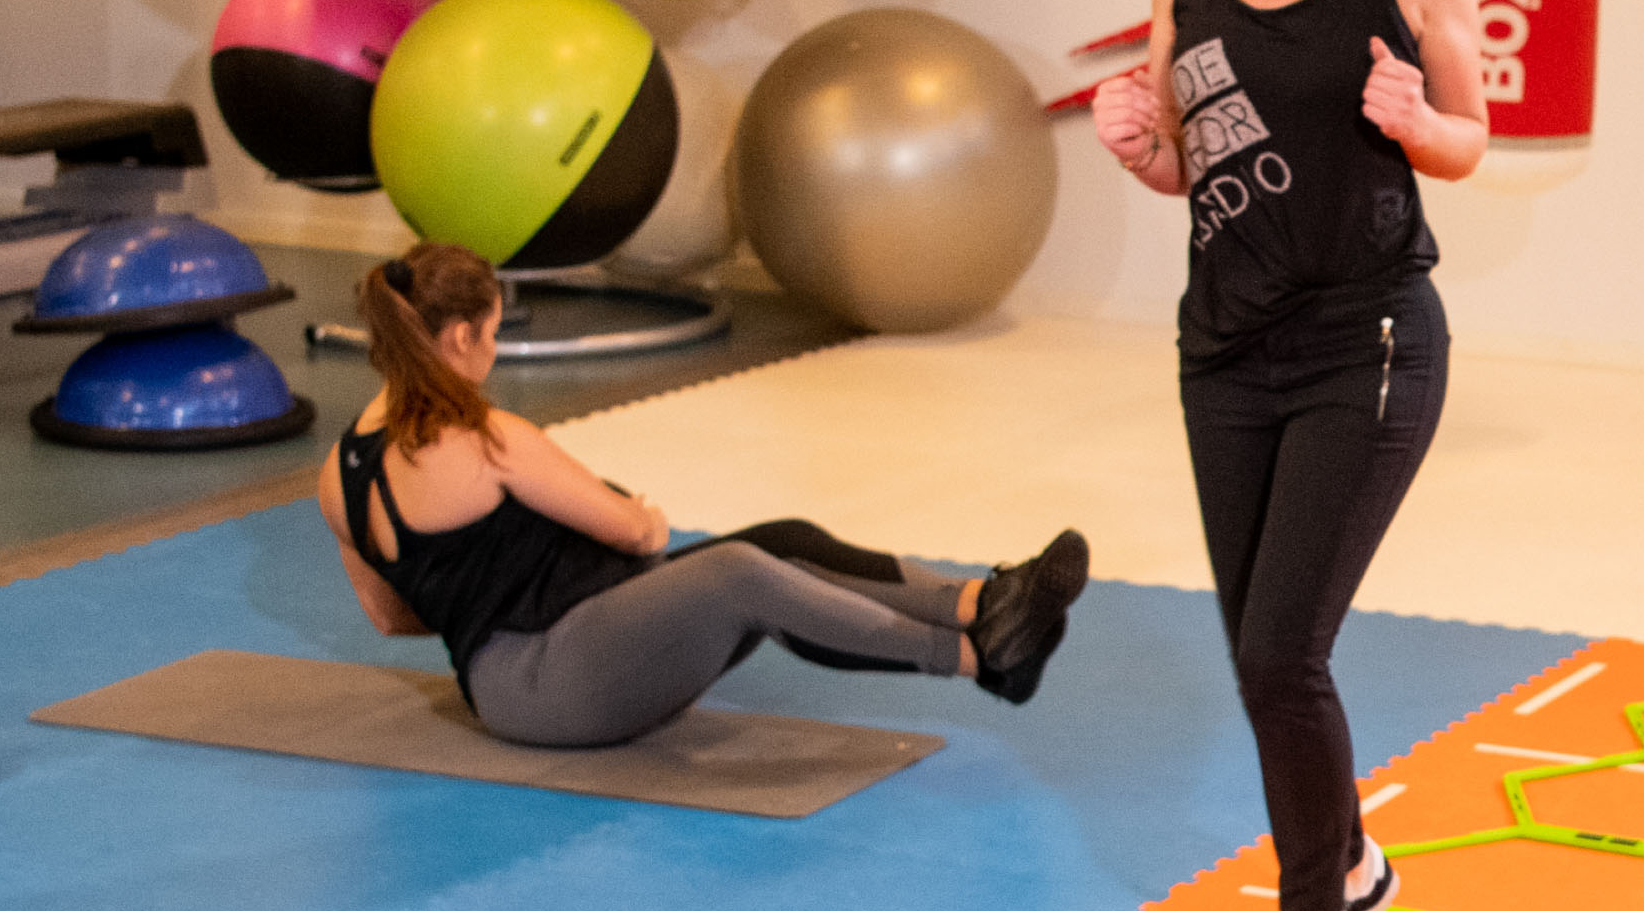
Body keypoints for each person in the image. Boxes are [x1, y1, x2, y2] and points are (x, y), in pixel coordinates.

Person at [1087, 0, 1498, 911]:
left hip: (1365, 343)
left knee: (1281, 651)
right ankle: (1353, 862)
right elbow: (1183, 170)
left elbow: (1468, 139)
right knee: (1259, 660)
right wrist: (1132, 139)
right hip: (1225, 349)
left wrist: (1413, 118)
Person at [325, 245, 1085, 746]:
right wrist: (638, 520)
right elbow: (638, 535)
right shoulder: (488, 438)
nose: (490, 351)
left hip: (517, 678)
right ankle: (976, 658)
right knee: (739, 574)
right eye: (490, 334)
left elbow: (390, 618)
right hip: (553, 688)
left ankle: (988, 603)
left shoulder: (337, 473)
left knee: (783, 539)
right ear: (459, 337)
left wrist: (473, 599)